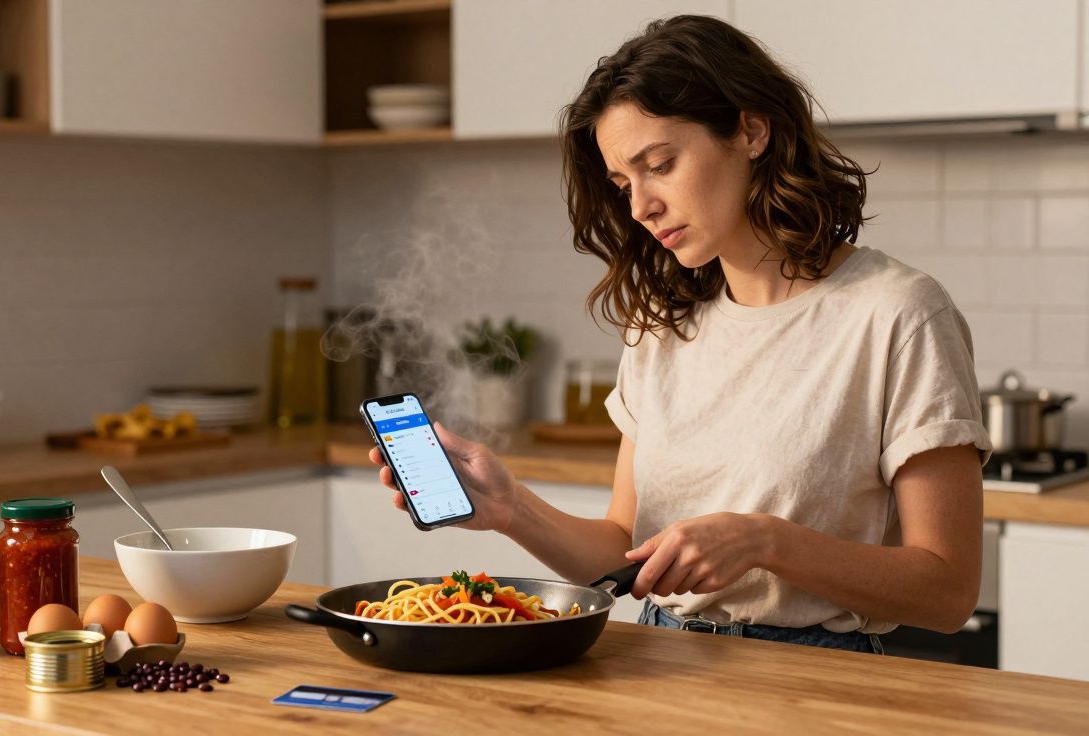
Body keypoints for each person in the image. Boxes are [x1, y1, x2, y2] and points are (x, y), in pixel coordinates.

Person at [368, 15, 991, 653]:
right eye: (622, 184)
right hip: (661, 661)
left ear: (751, 130)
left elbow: (946, 593)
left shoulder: (898, 314)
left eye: (659, 164)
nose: (639, 207)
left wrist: (764, 542)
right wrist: (510, 510)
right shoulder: (661, 326)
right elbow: (621, 549)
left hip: (819, 676)